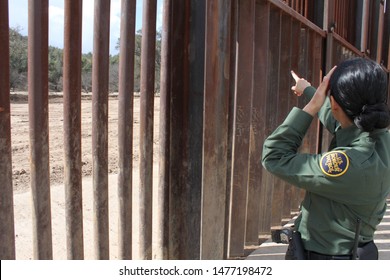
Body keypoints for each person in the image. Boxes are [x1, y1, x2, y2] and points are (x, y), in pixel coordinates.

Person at [262, 57, 390, 260]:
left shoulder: (348, 165)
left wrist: (313, 105)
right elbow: (338, 120)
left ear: (335, 104)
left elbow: (274, 156)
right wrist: (309, 89)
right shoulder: (380, 138)